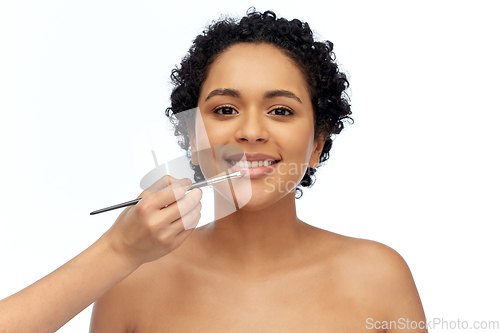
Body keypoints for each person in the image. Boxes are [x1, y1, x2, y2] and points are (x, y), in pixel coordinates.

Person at [0, 9, 427, 333]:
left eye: (280, 110)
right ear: (191, 139)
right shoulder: (131, 281)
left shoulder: (379, 277)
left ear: (317, 143)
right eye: (225, 109)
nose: (252, 131)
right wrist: (118, 251)